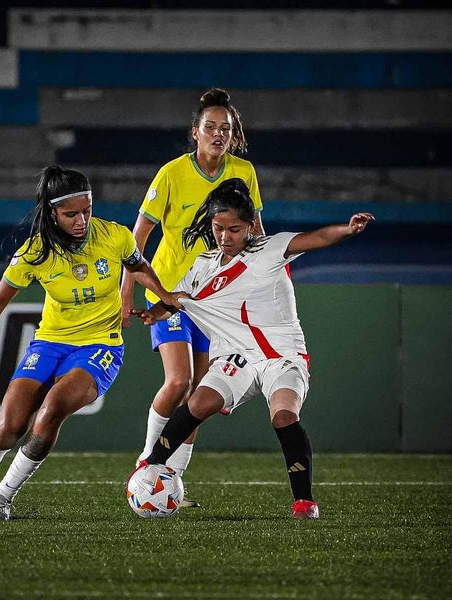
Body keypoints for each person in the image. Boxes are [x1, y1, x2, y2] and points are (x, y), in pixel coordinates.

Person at [0, 166, 182, 522]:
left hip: (101, 345)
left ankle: (2, 498)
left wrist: (163, 294)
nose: (82, 220)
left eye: (87, 210)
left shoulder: (114, 236)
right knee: (10, 426)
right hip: (49, 343)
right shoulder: (35, 252)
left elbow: (138, 265)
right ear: (52, 213)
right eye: (71, 214)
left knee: (51, 411)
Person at [131, 178, 374, 519]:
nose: (225, 237)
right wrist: (152, 312)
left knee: (284, 417)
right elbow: (177, 300)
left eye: (234, 229)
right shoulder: (203, 263)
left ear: (249, 226)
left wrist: (347, 230)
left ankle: (304, 502)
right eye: (218, 228)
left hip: (283, 357)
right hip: (236, 357)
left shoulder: (270, 249)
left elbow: (317, 238)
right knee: (198, 402)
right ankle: (151, 468)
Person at [120, 89, 264, 504]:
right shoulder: (171, 174)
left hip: (214, 297)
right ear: (195, 132)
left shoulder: (243, 171)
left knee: (199, 391)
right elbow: (138, 237)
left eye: (226, 128)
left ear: (233, 135)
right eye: (210, 127)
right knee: (179, 380)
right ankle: (147, 463)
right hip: (169, 292)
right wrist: (127, 291)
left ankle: (172, 479)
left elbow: (254, 233)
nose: (218, 134)